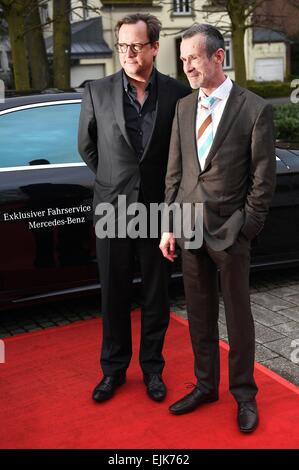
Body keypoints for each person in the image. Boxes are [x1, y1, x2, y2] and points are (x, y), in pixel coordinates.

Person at [159, 24, 276, 433]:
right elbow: (174, 175)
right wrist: (168, 225)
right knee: (199, 314)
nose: (187, 66)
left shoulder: (255, 109)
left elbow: (262, 181)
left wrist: (246, 227)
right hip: (188, 229)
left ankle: (244, 394)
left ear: (218, 57)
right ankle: (206, 385)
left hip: (231, 233)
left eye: (193, 57)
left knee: (238, 317)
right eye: (184, 59)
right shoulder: (184, 107)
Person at [78, 13, 190, 403]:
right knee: (113, 293)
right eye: (121, 45)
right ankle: (112, 371)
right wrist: (115, 180)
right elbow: (87, 148)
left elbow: (184, 156)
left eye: (136, 45)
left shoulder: (178, 94)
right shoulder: (96, 90)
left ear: (155, 47)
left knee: (157, 295)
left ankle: (153, 371)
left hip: (160, 211)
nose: (127, 52)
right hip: (112, 207)